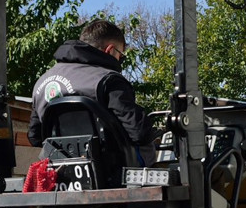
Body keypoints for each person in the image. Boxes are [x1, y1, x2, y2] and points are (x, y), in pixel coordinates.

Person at [27, 19, 153, 156]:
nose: (120, 60)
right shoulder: (109, 80)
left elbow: (35, 137)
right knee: (147, 148)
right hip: (107, 170)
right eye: (120, 55)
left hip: (58, 167)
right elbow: (139, 133)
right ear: (110, 50)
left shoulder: (42, 82)